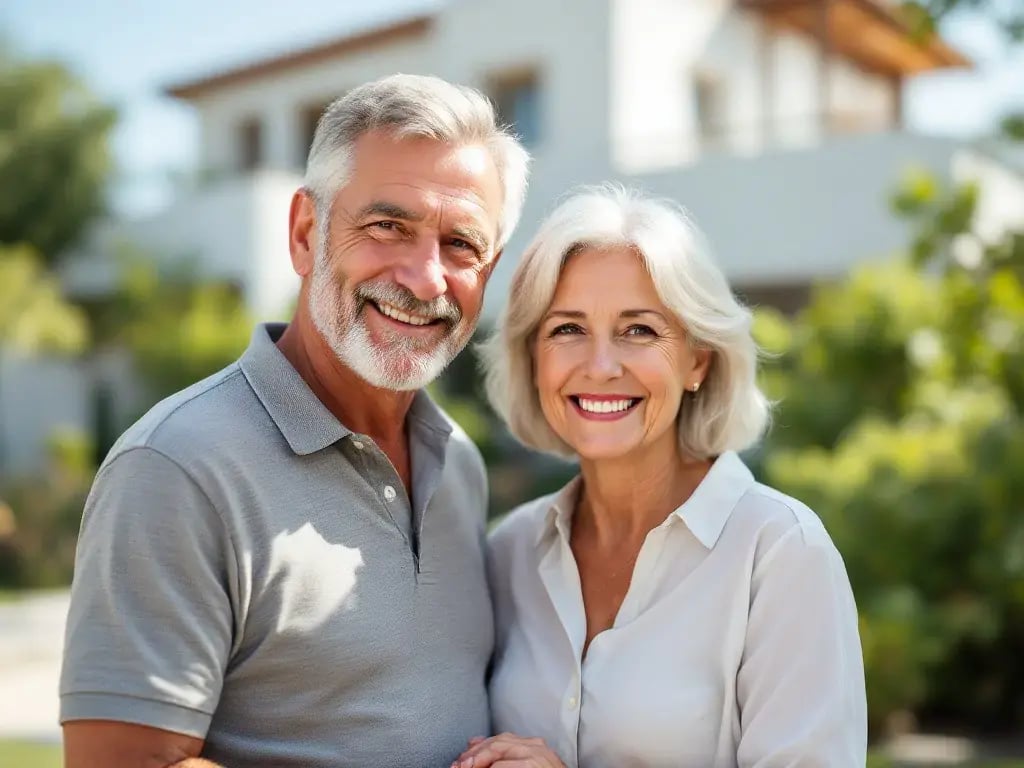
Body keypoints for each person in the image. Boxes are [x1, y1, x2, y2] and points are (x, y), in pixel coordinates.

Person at [60, 73, 529, 768]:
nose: (425, 277)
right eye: (387, 226)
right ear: (307, 233)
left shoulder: (457, 460)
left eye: (461, 244)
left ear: (487, 274)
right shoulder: (175, 467)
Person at [457, 186, 866, 768]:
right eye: (567, 329)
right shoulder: (509, 552)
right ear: (534, 359)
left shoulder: (779, 554)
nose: (600, 366)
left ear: (698, 360)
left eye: (639, 330)